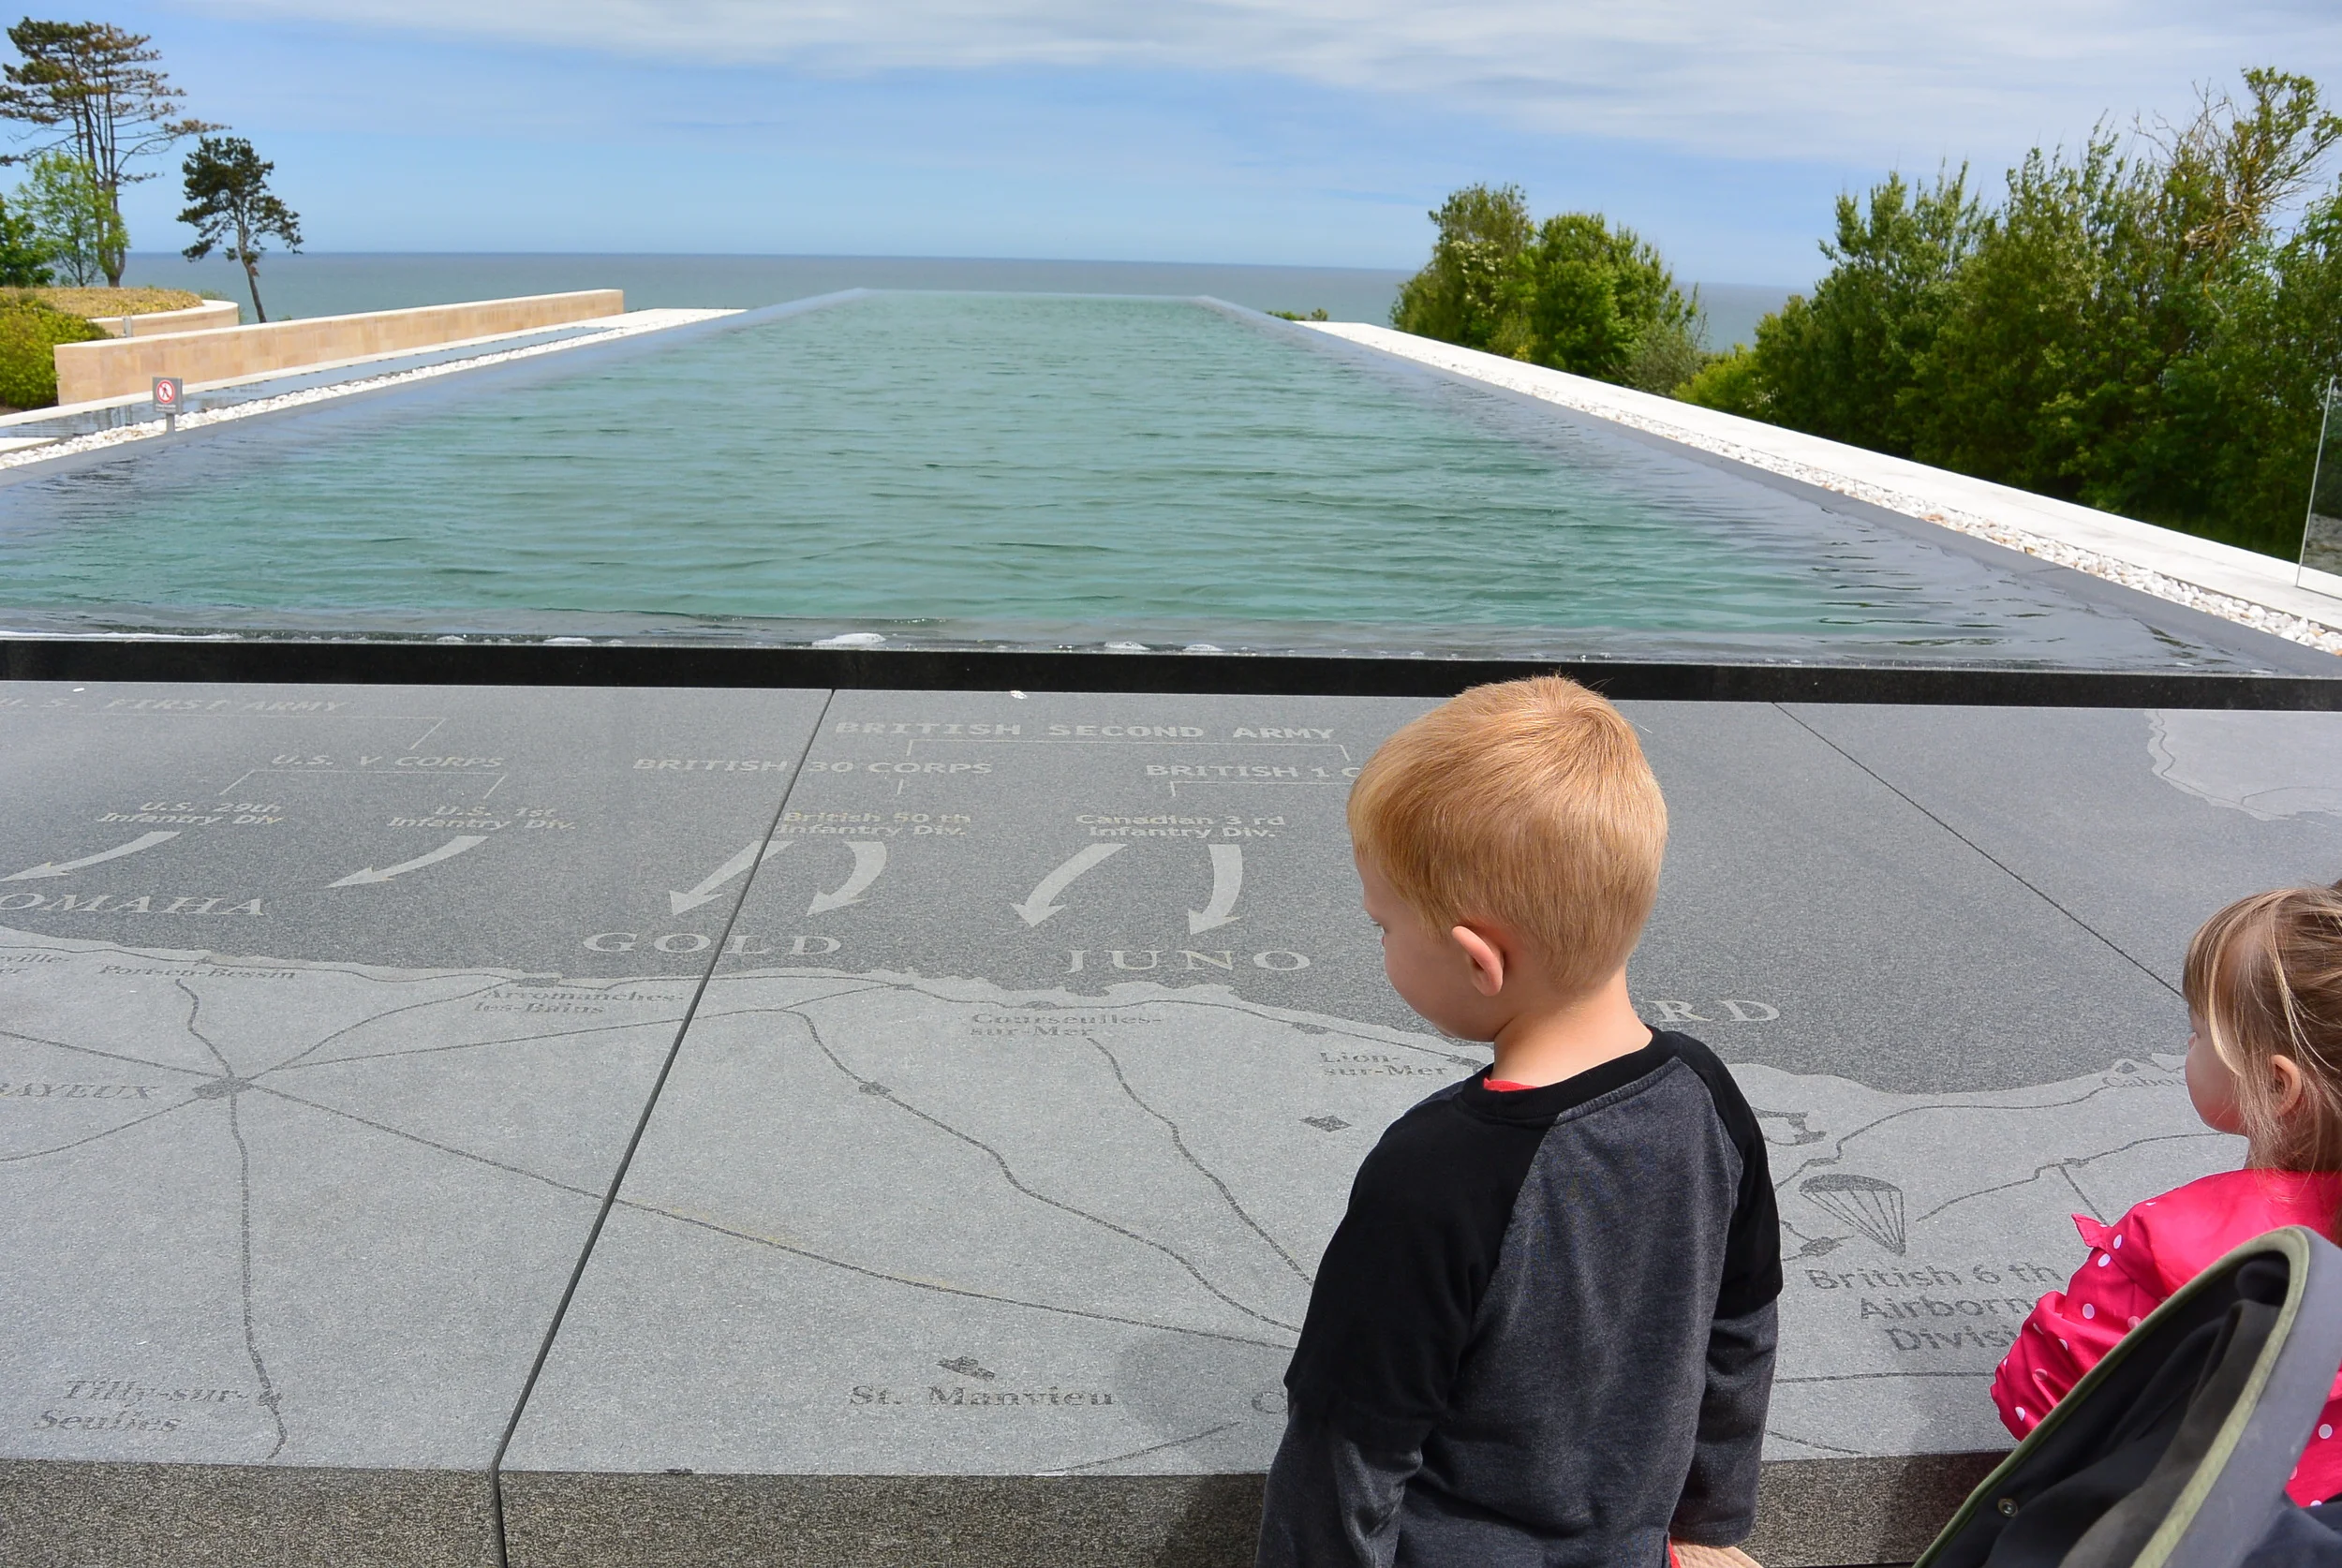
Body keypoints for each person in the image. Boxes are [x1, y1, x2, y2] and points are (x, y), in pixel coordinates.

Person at [1254, 676, 1781, 1568]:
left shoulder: (1436, 1173)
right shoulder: (1706, 1092)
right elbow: (1741, 1332)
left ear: (1478, 959)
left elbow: (1348, 1450)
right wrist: (1705, 1524)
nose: (1379, 943)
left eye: (1382, 925)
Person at [1993, 880, 2342, 1506]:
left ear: (2273, 1084)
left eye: (2202, 1031)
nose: (2189, 1045)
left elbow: (2041, 1398)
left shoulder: (2176, 1240)